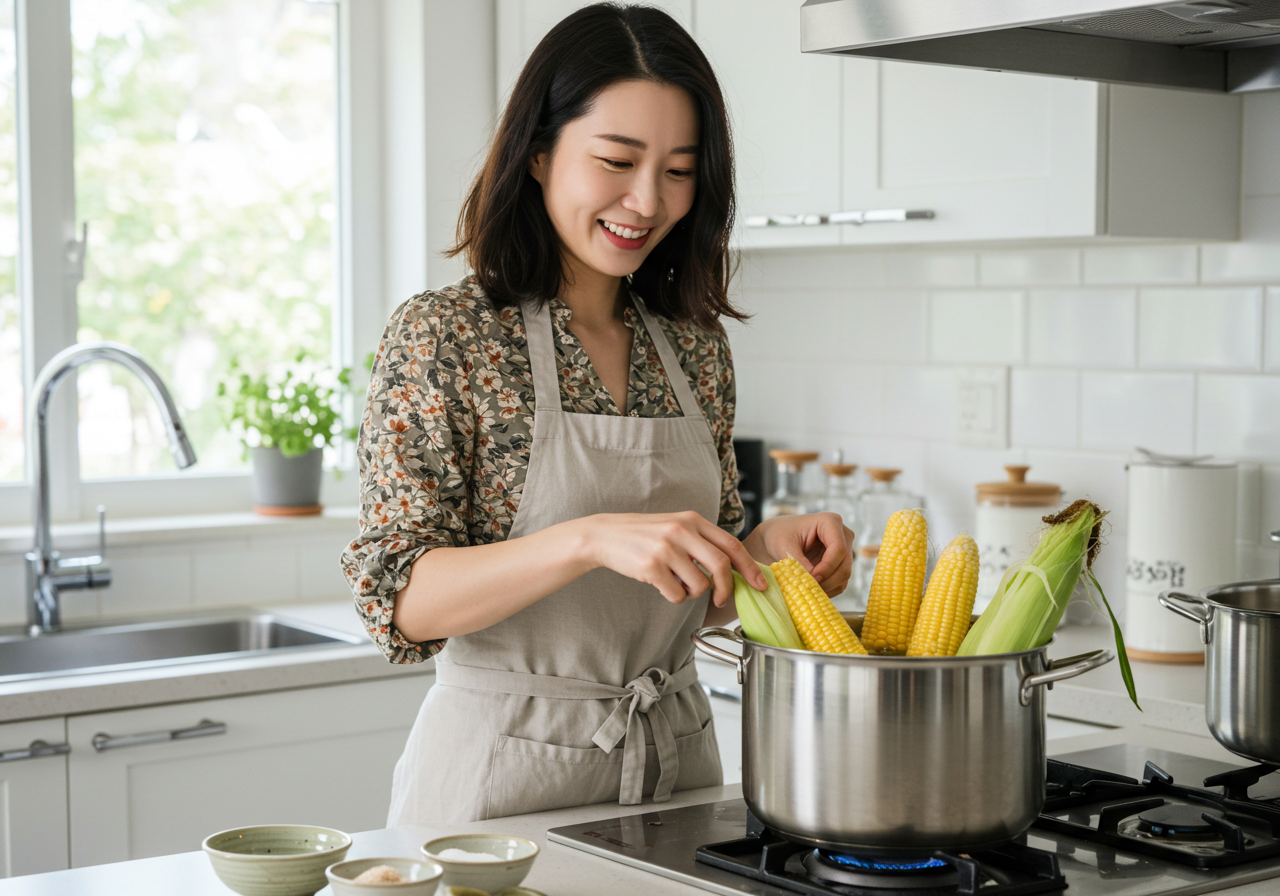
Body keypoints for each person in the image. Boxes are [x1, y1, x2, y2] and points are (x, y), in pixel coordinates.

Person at [340, 2, 853, 826]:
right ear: (539, 153)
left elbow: (695, 589)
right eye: (616, 160)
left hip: (676, 774)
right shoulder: (448, 336)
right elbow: (399, 601)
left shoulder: (694, 350)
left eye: (680, 170)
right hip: (496, 792)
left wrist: (766, 556)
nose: (647, 200)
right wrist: (586, 539)